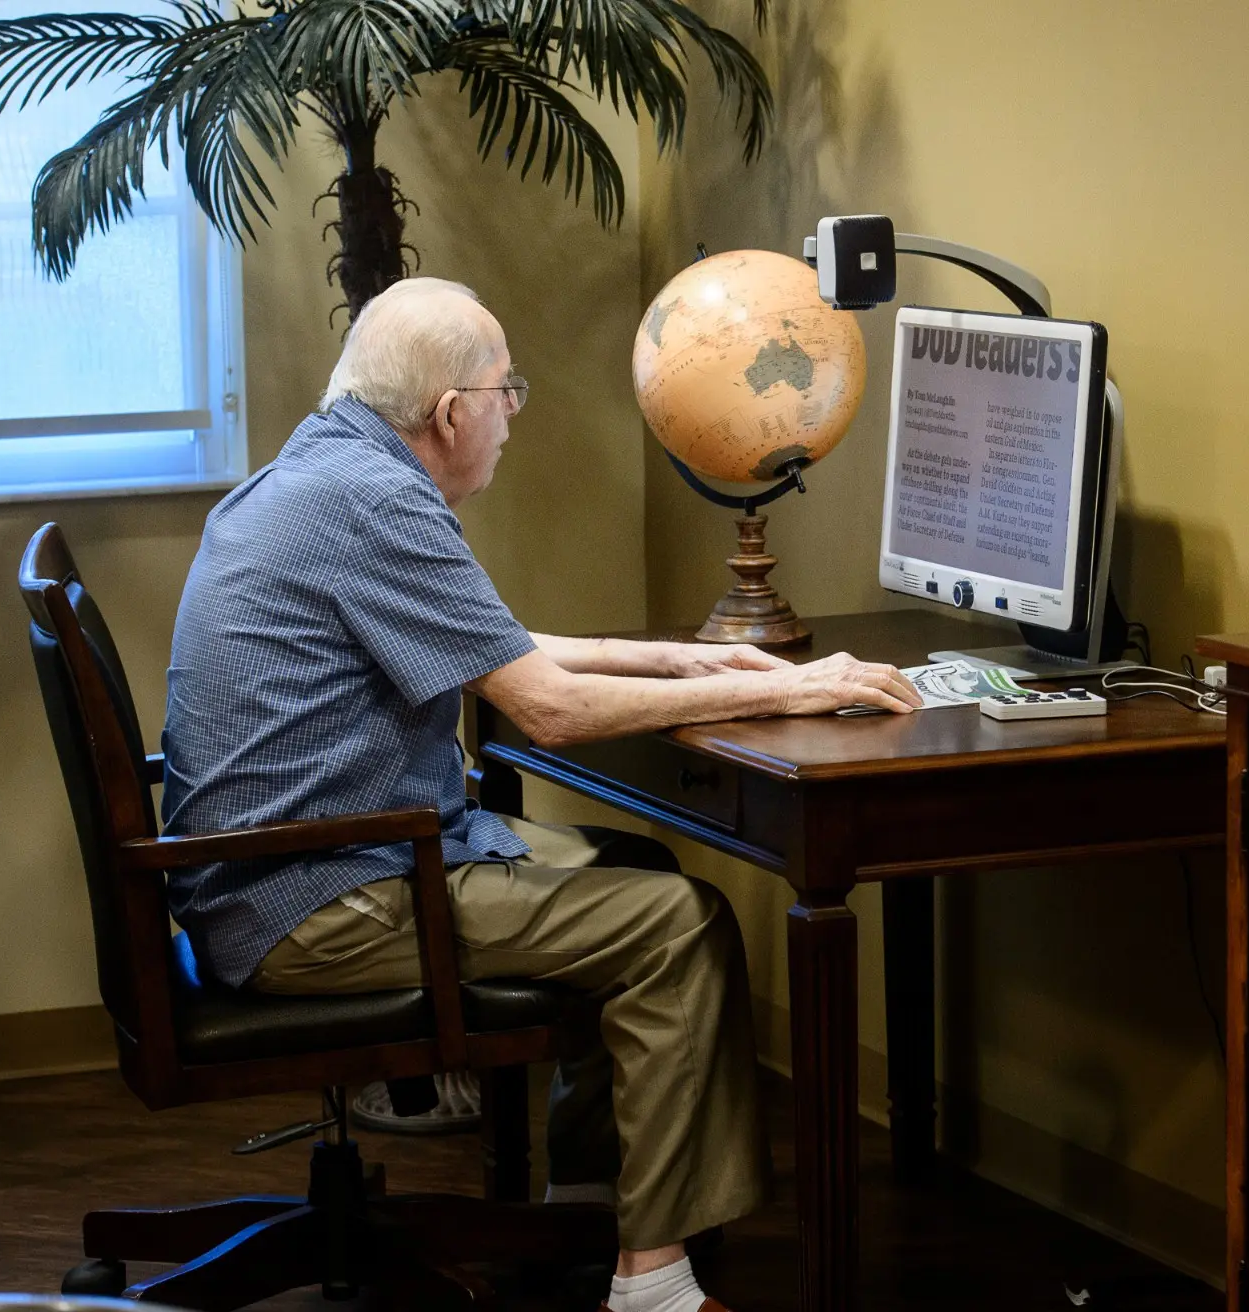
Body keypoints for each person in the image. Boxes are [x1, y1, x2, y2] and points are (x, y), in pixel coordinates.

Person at [159, 277, 922, 1312]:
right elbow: (549, 708)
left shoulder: (320, 472)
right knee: (675, 923)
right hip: (316, 900)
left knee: (636, 869)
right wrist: (802, 684)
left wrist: (685, 667)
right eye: (505, 389)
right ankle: (651, 1280)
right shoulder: (378, 500)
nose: (512, 413)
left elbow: (504, 649)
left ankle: (587, 1211)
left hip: (276, 873)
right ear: (450, 412)